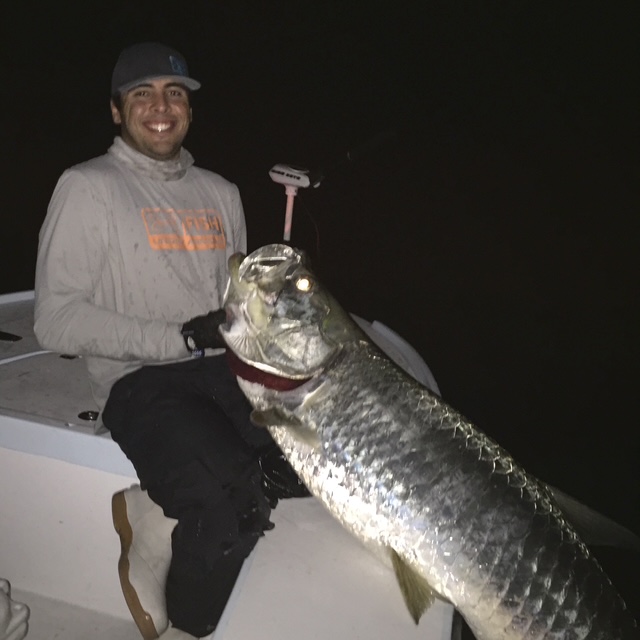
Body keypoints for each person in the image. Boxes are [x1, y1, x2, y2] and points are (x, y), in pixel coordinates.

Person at [34, 42, 308, 640]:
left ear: (189, 108)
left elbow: (235, 307)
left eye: (174, 93)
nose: (161, 107)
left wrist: (277, 304)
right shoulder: (87, 186)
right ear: (117, 110)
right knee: (230, 508)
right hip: (139, 381)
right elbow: (54, 319)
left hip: (223, 374)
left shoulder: (221, 192)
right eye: (143, 94)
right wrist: (179, 336)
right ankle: (188, 624)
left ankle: (157, 509)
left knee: (306, 470)